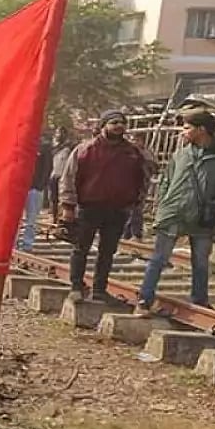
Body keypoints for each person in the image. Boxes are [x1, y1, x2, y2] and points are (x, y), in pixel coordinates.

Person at [135, 109, 215, 314]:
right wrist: (162, 206)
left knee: (201, 262)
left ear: (202, 129)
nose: (182, 132)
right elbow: (167, 180)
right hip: (174, 213)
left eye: (187, 128)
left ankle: (199, 301)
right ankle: (145, 298)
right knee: (159, 258)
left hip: (204, 216)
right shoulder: (181, 153)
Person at [58, 109, 150, 303]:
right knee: (80, 248)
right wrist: (67, 206)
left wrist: (136, 203)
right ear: (103, 125)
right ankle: (76, 287)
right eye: (114, 122)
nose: (119, 126)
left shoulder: (133, 152)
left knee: (107, 252)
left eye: (122, 122)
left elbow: (142, 179)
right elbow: (69, 178)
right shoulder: (85, 150)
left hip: (118, 210)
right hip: (89, 207)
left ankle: (99, 290)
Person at [19, 135, 53, 251]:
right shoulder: (20, 142)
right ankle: (12, 245)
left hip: (34, 188)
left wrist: (40, 186)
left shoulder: (44, 146)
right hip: (19, 187)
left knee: (31, 220)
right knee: (14, 220)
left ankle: (27, 244)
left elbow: (48, 167)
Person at [123, 131, 158, 240]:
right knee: (127, 211)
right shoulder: (127, 153)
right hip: (127, 185)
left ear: (142, 141)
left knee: (136, 210)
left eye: (136, 140)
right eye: (132, 139)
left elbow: (153, 168)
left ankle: (136, 234)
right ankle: (126, 234)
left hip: (140, 186)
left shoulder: (146, 154)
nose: (133, 142)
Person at [48, 129, 74, 223]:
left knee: (63, 199)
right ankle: (55, 219)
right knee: (53, 199)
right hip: (54, 175)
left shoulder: (70, 147)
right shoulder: (54, 147)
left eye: (60, 133)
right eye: (57, 133)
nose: (58, 135)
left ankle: (63, 221)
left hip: (64, 177)